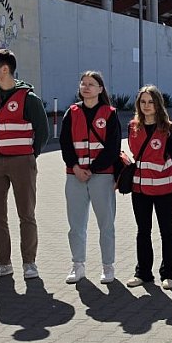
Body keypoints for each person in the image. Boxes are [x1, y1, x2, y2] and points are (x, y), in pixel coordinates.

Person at [0, 49, 49, 281]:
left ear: (5, 69)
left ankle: (29, 263)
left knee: (26, 214)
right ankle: (3, 264)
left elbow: (43, 132)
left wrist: (29, 156)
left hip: (21, 162)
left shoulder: (29, 98)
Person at [60, 71, 121, 284]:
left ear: (100, 89)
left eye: (91, 84)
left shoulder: (109, 113)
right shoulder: (71, 112)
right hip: (75, 175)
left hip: (101, 176)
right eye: (83, 83)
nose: (86, 87)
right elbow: (65, 144)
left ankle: (108, 266)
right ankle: (78, 265)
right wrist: (76, 167)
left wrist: (92, 169)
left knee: (106, 224)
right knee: (76, 225)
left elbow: (113, 148)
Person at [126, 85, 172, 290]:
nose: (147, 106)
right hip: (139, 189)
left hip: (163, 189)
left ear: (158, 104)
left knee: (167, 230)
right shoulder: (133, 127)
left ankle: (170, 274)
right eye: (143, 102)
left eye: (151, 102)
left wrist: (160, 175)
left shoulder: (168, 129)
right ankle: (143, 273)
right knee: (143, 231)